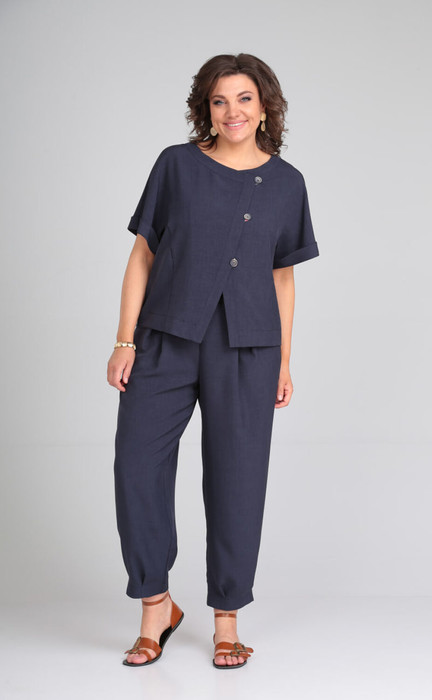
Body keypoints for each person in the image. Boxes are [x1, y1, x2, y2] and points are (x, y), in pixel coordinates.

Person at [107, 53, 320, 670]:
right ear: (206, 107)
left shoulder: (288, 182)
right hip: (165, 338)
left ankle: (228, 621)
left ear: (265, 106)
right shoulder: (175, 165)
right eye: (220, 100)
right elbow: (143, 255)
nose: (232, 111)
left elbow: (283, 277)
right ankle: (156, 608)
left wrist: (284, 360)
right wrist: (125, 341)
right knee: (136, 468)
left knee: (237, 480)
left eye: (244, 99)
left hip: (249, 348)